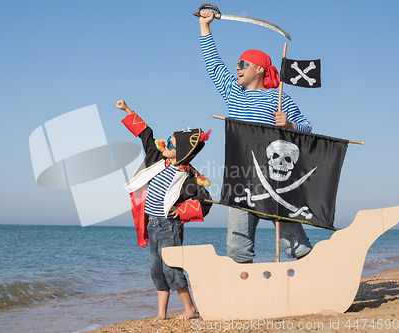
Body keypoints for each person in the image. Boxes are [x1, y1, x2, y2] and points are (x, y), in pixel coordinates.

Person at [198, 10, 313, 263]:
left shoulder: (278, 98)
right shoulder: (232, 92)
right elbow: (213, 63)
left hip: (275, 178)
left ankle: (310, 278)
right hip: (240, 177)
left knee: (293, 241)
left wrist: (291, 125)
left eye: (242, 64)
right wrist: (204, 27)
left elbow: (308, 127)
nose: (236, 68)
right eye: (237, 64)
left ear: (259, 69)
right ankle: (246, 290)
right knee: (237, 245)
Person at [116, 99, 212, 320]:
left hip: (169, 226)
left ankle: (189, 309)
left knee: (172, 268)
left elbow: (205, 202)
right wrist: (127, 110)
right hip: (152, 224)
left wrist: (183, 212)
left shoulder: (190, 177)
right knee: (156, 270)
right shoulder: (156, 157)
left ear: (184, 153)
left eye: (171, 144)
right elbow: (146, 133)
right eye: (168, 140)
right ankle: (161, 313)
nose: (165, 144)